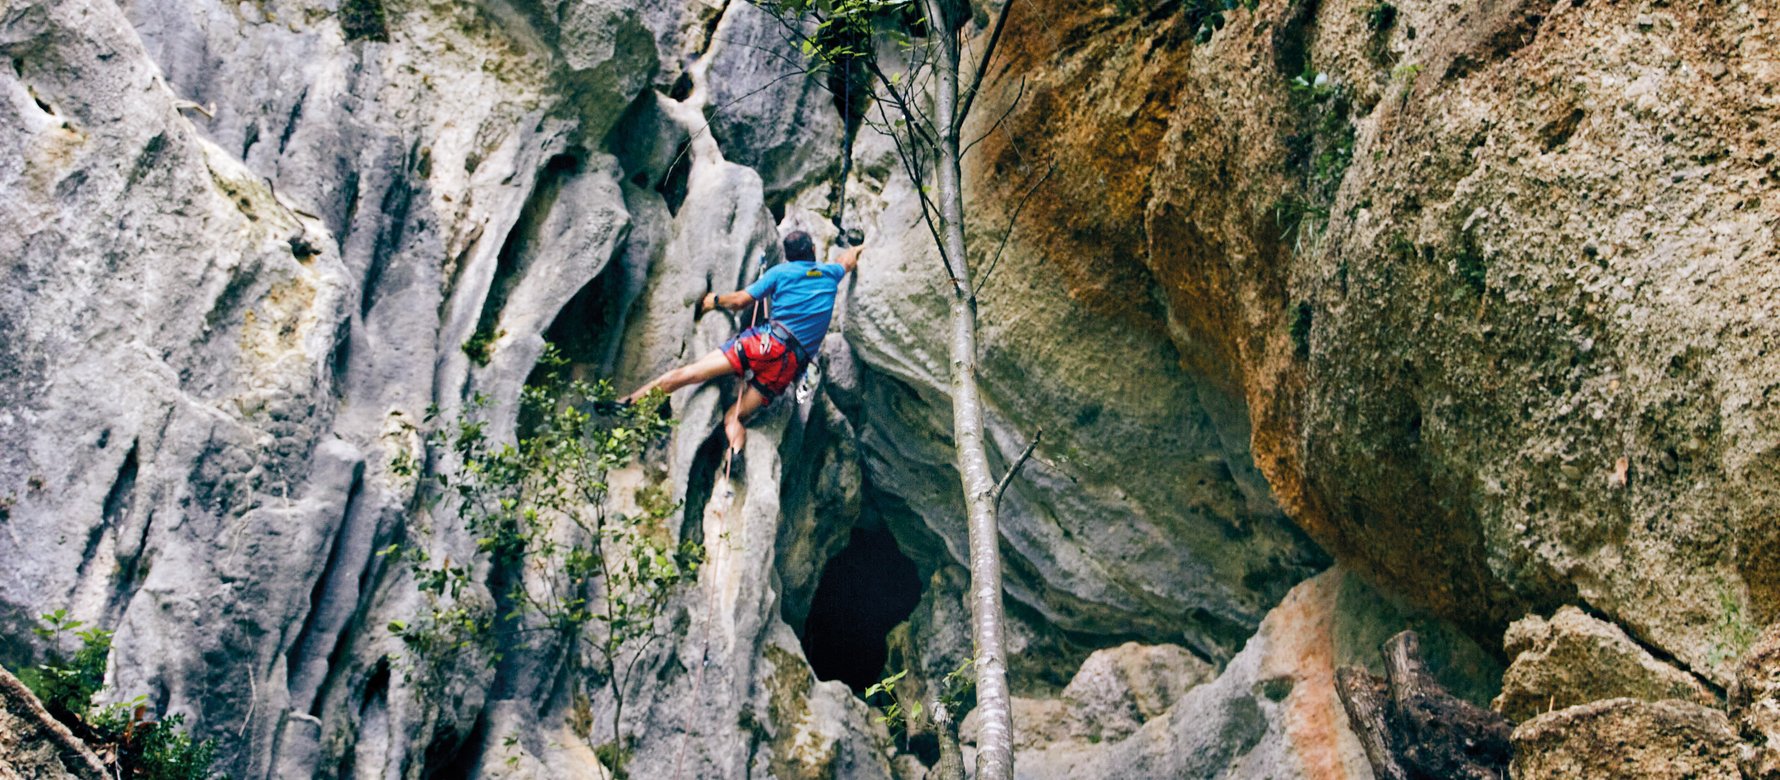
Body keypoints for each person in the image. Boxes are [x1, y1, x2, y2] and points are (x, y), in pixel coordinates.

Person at [616, 230, 862, 461]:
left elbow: (740, 301)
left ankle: (629, 402)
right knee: (734, 416)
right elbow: (847, 259)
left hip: (764, 346)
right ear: (813, 249)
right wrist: (862, 247)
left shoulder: (780, 273)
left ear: (788, 256)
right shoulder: (829, 273)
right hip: (787, 367)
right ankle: (735, 449)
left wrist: (715, 300)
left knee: (689, 374)